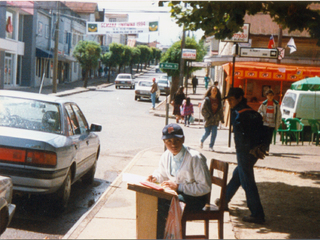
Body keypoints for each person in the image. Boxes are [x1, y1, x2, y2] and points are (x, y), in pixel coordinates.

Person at [147, 123, 211, 239]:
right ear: (164, 142)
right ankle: (159, 236)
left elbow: (205, 187)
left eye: (177, 140)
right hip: (178, 194)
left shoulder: (195, 158)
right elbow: (162, 173)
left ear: (183, 139)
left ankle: (163, 237)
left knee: (165, 204)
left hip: (195, 199)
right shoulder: (166, 155)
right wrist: (155, 177)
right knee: (153, 201)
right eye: (169, 141)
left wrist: (178, 186)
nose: (173, 144)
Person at [223, 87, 266, 224]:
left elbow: (240, 137)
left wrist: (246, 151)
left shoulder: (238, 113)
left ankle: (257, 213)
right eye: (228, 100)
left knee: (247, 182)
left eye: (231, 99)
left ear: (239, 98)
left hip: (244, 152)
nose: (229, 102)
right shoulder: (253, 113)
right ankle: (224, 200)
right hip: (254, 152)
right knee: (238, 176)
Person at [200, 86, 224, 151]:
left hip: (215, 120)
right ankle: (202, 140)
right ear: (210, 91)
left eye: (215, 90)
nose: (214, 92)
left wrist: (222, 119)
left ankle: (211, 146)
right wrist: (207, 116)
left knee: (214, 133)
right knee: (207, 132)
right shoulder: (207, 100)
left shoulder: (219, 101)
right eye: (213, 90)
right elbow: (203, 109)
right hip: (208, 119)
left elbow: (221, 110)